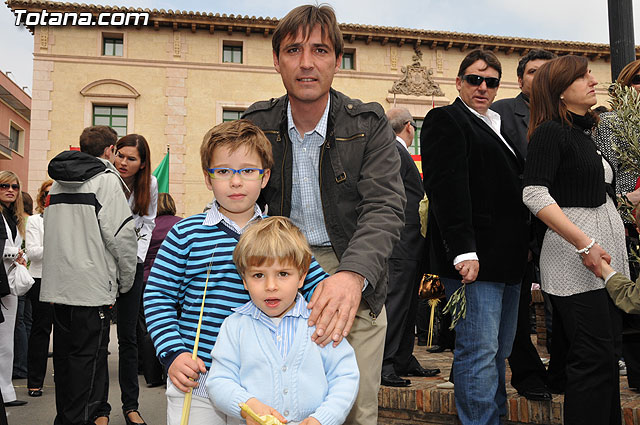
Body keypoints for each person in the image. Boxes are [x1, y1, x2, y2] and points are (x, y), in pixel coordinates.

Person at [243, 6, 405, 423]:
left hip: (353, 266)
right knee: (272, 408)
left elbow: (385, 206)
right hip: (274, 266)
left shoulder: (369, 124)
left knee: (351, 410)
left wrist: (352, 275)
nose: (307, 63)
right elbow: (232, 197)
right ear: (277, 60)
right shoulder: (255, 125)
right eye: (294, 50)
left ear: (337, 59)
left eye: (320, 50)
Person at [143, 119, 328, 425]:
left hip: (264, 388)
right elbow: (158, 297)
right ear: (207, 177)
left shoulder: (282, 235)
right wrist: (173, 354)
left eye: (247, 171)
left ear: (265, 176)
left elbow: (318, 288)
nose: (236, 182)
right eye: (224, 171)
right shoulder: (185, 234)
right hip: (197, 383)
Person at [420, 49, 529, 425]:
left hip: (508, 262)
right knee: (478, 351)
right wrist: (463, 250)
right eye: (474, 79)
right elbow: (446, 188)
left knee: (498, 352)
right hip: (474, 261)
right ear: (459, 82)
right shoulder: (445, 119)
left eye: (491, 81)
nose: (483, 87)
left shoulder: (497, 125)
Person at [523, 55, 627, 425]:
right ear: (560, 92)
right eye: (582, 77)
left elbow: (592, 193)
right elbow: (534, 194)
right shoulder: (552, 131)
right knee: (592, 358)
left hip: (601, 264)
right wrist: (584, 243)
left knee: (604, 358)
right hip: (576, 262)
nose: (593, 81)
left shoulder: (584, 132)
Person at [207, 216, 359, 425]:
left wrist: (322, 419)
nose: (271, 286)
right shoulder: (235, 326)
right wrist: (247, 405)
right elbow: (219, 381)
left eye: (283, 274)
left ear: (302, 276)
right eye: (259, 275)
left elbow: (345, 377)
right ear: (244, 280)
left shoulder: (321, 323)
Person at [41, 125, 138, 425]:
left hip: (58, 287)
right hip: (92, 288)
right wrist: (126, 280)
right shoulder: (106, 182)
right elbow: (122, 238)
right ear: (110, 150)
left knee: (66, 366)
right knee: (90, 368)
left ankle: (66, 419)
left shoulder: (56, 184)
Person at [491, 49, 556, 401]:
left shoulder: (566, 115)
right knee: (515, 310)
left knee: (562, 304)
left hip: (561, 227)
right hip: (517, 226)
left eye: (547, 72)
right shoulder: (501, 113)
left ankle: (560, 370)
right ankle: (528, 375)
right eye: (533, 72)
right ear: (520, 80)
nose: (540, 77)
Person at [97, 134, 158, 425]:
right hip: (100, 266)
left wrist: (135, 258)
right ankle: (100, 409)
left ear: (142, 163)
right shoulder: (103, 178)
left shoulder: (151, 185)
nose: (123, 162)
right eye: (120, 155)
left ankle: (130, 406)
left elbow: (148, 221)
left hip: (131, 266)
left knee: (129, 339)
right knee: (99, 340)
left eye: (131, 158)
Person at [381, 107, 439, 388]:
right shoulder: (393, 150)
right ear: (408, 127)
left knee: (405, 304)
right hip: (400, 242)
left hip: (411, 243)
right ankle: (385, 363)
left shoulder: (395, 150)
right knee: (396, 303)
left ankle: (402, 358)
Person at [595, 58, 640, 389]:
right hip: (625, 221)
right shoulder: (609, 123)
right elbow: (604, 175)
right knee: (633, 302)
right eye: (639, 80)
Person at [139, 192, 182, 387]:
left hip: (146, 280)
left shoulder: (148, 227)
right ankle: (169, 371)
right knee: (174, 325)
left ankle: (151, 375)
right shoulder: (181, 225)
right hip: (175, 282)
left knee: (148, 328)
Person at [0, 171, 28, 408]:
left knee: (7, 341)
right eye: (4, 185)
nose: (10, 189)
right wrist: (15, 254)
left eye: (15, 186)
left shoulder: (12, 217)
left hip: (9, 284)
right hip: (3, 284)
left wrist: (21, 256)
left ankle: (6, 391)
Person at [24, 179, 53, 398]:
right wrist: (60, 244)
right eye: (46, 194)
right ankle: (35, 381)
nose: (50, 197)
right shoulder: (35, 221)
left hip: (65, 280)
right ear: (41, 198)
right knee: (40, 332)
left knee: (66, 334)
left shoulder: (71, 221)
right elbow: (33, 253)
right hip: (40, 279)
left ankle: (64, 379)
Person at [12, 191, 32, 381]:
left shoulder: (22, 222)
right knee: (25, 322)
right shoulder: (24, 221)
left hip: (19, 276)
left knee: (19, 323)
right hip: (26, 277)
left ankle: (19, 366)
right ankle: (22, 364)